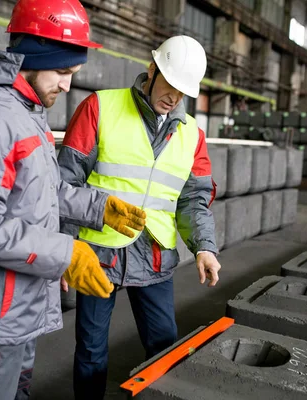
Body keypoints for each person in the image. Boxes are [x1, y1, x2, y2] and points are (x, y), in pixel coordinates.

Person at [0, 0, 147, 399]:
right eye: (62, 71)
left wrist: (98, 207)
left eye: (72, 73)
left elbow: (40, 191)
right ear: (33, 56)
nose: (68, 85)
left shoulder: (25, 108)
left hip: (17, 303)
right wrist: (66, 253)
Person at [57, 35, 222, 400]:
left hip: (155, 256)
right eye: (170, 85)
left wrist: (204, 248)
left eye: (183, 92)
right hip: (98, 254)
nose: (174, 98)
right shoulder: (100, 107)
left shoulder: (192, 135)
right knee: (90, 351)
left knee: (165, 347)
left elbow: (193, 200)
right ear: (152, 70)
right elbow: (64, 183)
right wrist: (62, 247)